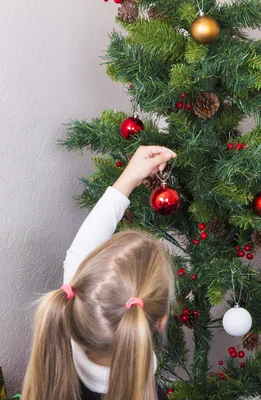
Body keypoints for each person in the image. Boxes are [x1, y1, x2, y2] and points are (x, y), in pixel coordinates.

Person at [23, 146, 177, 400]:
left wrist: (128, 178)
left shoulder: (58, 362)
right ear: (161, 321)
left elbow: (77, 255)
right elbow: (77, 259)